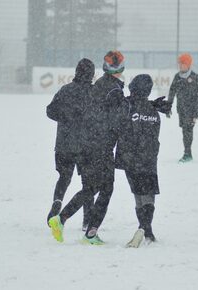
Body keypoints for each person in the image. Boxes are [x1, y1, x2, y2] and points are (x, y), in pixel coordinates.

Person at [49, 50, 126, 245]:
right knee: (105, 189)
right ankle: (90, 232)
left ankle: (62, 218)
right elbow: (119, 118)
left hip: (86, 144)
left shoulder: (98, 86)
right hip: (102, 146)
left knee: (90, 187)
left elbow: (90, 113)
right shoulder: (114, 90)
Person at [115, 74, 171, 247]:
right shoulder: (154, 111)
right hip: (148, 158)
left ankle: (145, 229)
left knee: (138, 195)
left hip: (130, 158)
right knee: (148, 196)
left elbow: (118, 125)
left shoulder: (127, 106)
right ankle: (146, 229)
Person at [46, 58, 95, 230]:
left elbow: (50, 111)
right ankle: (87, 220)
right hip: (86, 146)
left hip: (64, 144)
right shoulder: (94, 92)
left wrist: (66, 117)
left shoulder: (65, 90)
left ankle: (57, 202)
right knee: (88, 184)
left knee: (64, 177)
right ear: (92, 74)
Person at [167, 53, 198, 162]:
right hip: (181, 109)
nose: (181, 66)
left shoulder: (195, 78)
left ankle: (187, 153)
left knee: (188, 130)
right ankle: (187, 152)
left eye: (183, 64)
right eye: (180, 64)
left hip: (192, 110)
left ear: (188, 65)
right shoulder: (177, 77)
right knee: (184, 130)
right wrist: (168, 107)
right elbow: (172, 92)